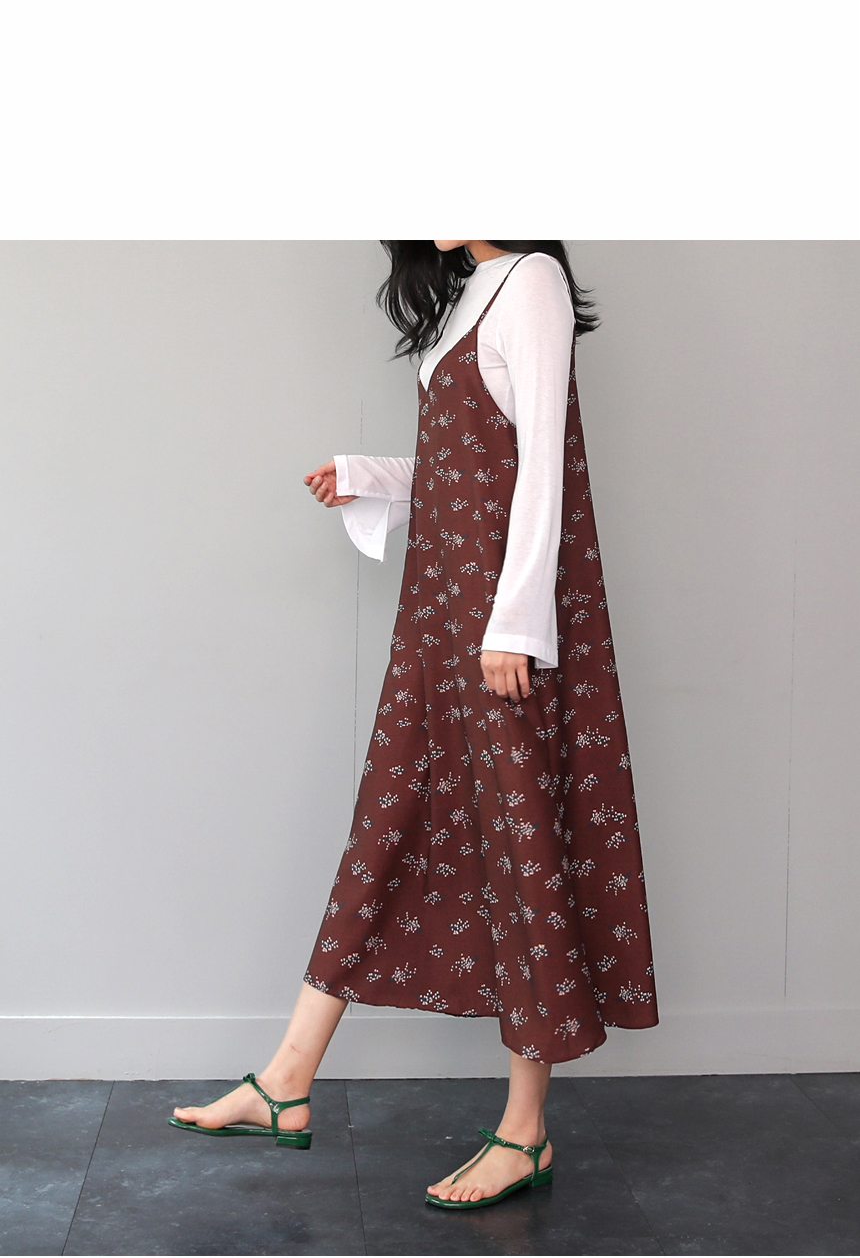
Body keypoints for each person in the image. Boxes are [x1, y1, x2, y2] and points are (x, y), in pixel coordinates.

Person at [176, 237, 658, 1202]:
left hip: (497, 628)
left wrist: (515, 625)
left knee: (522, 845)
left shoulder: (532, 281)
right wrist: (371, 475)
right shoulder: (474, 291)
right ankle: (286, 1080)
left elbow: (543, 467)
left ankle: (524, 1132)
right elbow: (467, 466)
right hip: (440, 610)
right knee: (388, 824)